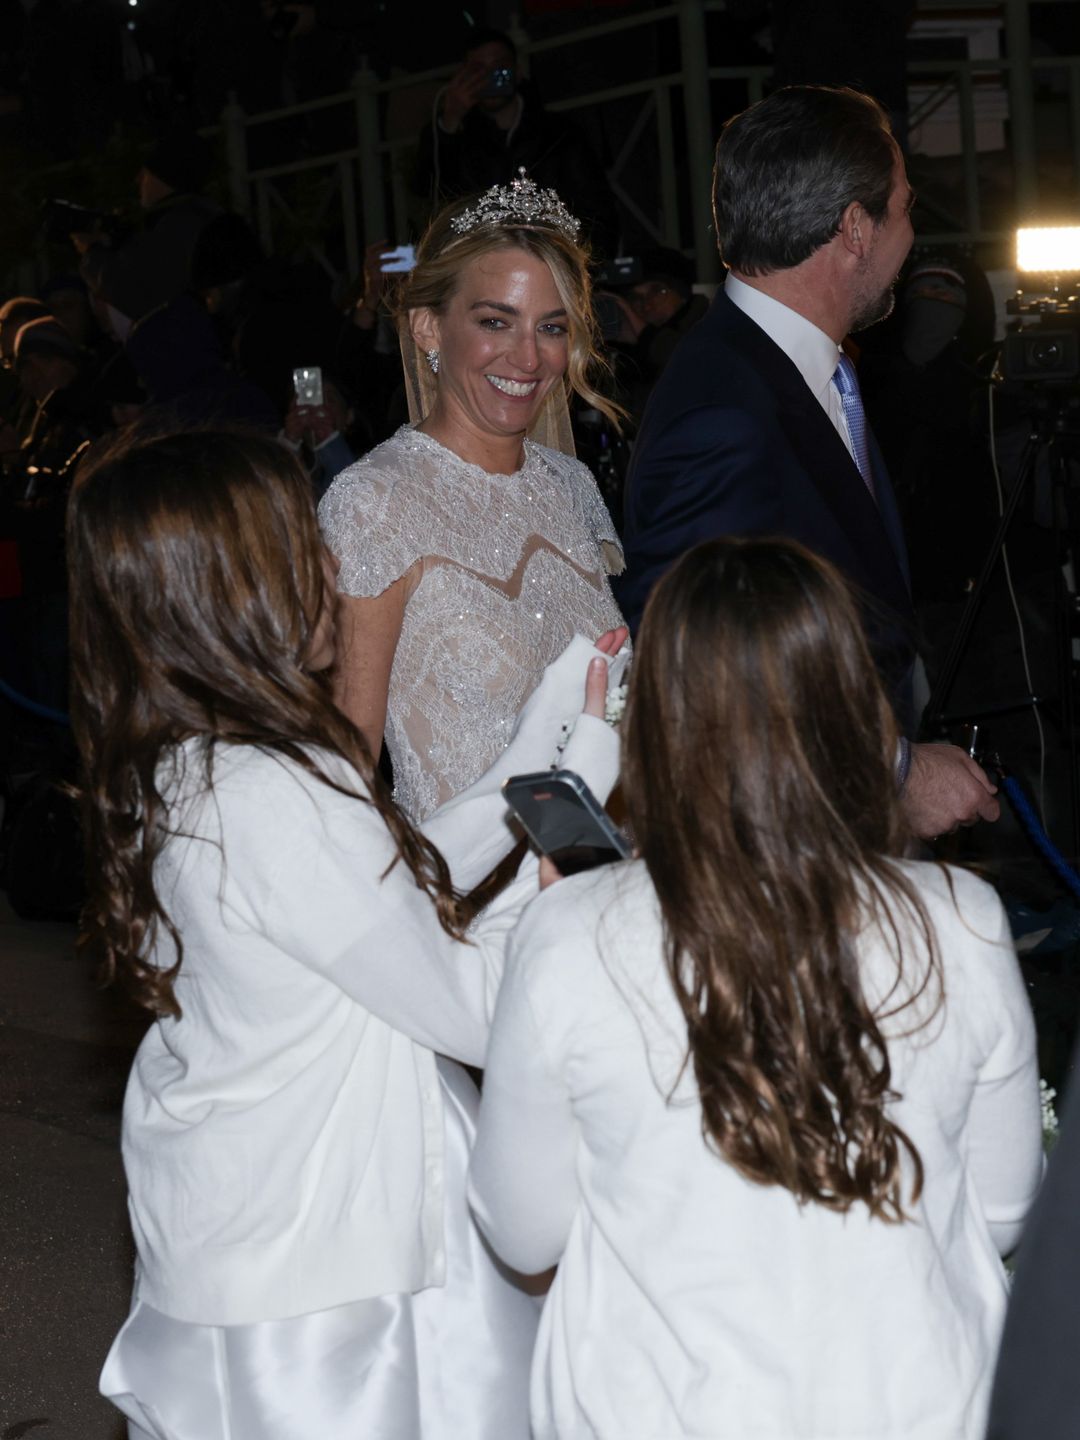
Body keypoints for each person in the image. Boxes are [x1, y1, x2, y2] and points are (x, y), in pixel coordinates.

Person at [69, 427, 623, 1440]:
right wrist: (568, 870)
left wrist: (531, 753)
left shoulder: (197, 756)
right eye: (305, 548)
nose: (334, 568)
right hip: (320, 1269)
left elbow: (374, 891)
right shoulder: (272, 790)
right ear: (239, 586)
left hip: (249, 1222)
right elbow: (470, 1005)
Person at [470, 536, 1043, 1440]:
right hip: (911, 1407)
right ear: (857, 714)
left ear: (657, 722)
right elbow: (1006, 1212)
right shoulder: (965, 918)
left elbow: (521, 1233)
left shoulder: (568, 938)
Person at [615, 84, 999, 841]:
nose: (911, 236)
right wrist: (894, 772)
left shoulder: (790, 371)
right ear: (856, 228)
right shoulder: (722, 410)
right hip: (788, 857)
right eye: (905, 207)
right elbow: (699, 675)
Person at [319, 173, 627, 824]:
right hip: (463, 895)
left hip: (594, 875)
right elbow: (345, 762)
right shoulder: (376, 502)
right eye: (496, 321)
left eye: (551, 326)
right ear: (428, 328)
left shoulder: (568, 485)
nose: (529, 357)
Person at [412, 29, 619, 259]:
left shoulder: (559, 133)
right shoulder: (458, 138)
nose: (490, 76)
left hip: (549, 258)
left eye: (499, 66)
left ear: (517, 71)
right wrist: (450, 120)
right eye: (478, 69)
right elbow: (427, 188)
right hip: (478, 260)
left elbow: (596, 210)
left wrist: (580, 263)